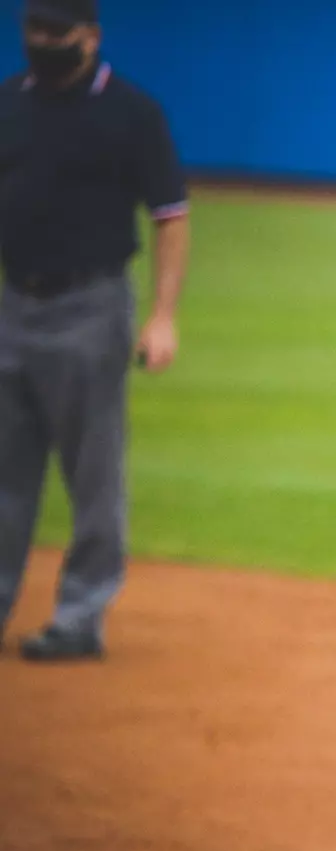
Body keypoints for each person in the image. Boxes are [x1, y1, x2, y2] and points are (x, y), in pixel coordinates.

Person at [0, 0, 190, 661]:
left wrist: (162, 316)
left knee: (92, 473)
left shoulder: (132, 113)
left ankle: (80, 618)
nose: (43, 40)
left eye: (58, 30)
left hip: (91, 305)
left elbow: (170, 214)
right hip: (12, 303)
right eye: (35, 28)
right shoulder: (8, 103)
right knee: (5, 470)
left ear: (91, 37)